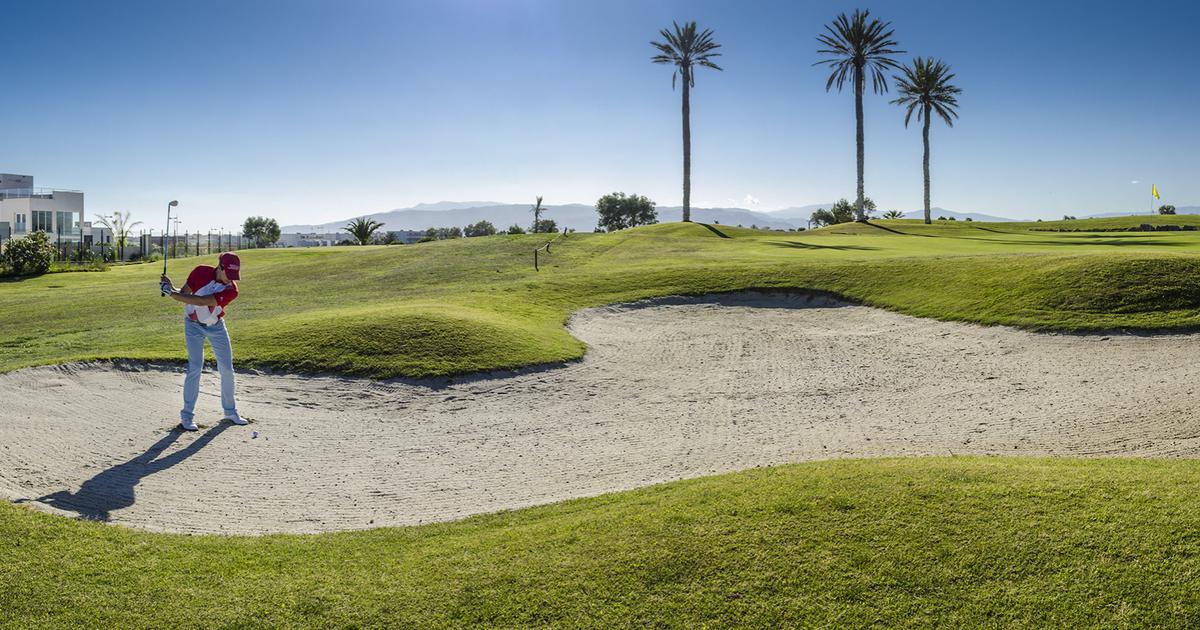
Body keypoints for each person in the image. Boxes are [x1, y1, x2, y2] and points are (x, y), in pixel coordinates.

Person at [160, 252, 247, 431]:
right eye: (228, 275)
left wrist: (172, 295)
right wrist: (169, 288)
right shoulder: (200, 272)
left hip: (216, 326)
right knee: (195, 367)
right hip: (193, 325)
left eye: (234, 276)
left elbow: (202, 302)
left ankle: (230, 412)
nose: (231, 280)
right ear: (220, 267)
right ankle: (187, 416)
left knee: (227, 369)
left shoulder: (232, 290)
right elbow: (184, 293)